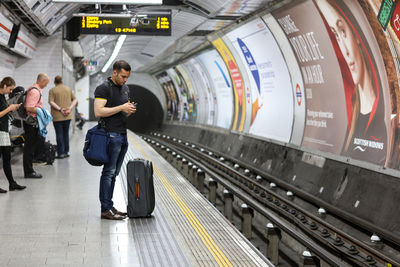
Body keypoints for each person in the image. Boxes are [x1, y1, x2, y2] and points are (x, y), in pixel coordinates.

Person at [315, 0, 387, 164]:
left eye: (343, 32)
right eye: (336, 35)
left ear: (358, 36)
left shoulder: (386, 112)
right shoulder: (349, 112)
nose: (345, 51)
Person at [94, 60, 136, 220]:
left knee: (114, 173)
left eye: (127, 77)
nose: (125, 80)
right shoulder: (103, 88)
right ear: (115, 72)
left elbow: (122, 112)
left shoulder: (125, 89)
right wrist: (121, 108)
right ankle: (105, 208)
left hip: (122, 135)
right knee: (108, 172)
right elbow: (98, 111)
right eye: (123, 76)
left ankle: (110, 206)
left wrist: (128, 110)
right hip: (110, 135)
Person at [0, 77, 26, 193]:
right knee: (5, 158)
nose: (11, 92)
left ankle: (12, 183)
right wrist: (9, 108)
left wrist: (12, 108)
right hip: (0, 131)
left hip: (4, 130)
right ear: (4, 85)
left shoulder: (2, 97)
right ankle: (12, 183)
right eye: (10, 89)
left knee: (6, 158)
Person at [23, 73, 50, 179]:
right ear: (42, 81)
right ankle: (28, 171)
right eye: (46, 83)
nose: (46, 85)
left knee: (31, 146)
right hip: (31, 123)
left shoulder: (34, 89)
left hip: (32, 123)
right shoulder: (35, 91)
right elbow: (29, 108)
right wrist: (42, 111)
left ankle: (29, 170)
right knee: (29, 147)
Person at [48, 75, 77, 158]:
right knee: (66, 133)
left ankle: (61, 153)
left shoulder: (52, 90)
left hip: (57, 116)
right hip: (68, 116)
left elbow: (51, 102)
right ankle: (66, 152)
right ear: (62, 81)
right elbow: (75, 99)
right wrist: (69, 108)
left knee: (59, 134)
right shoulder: (68, 89)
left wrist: (60, 109)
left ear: (54, 82)